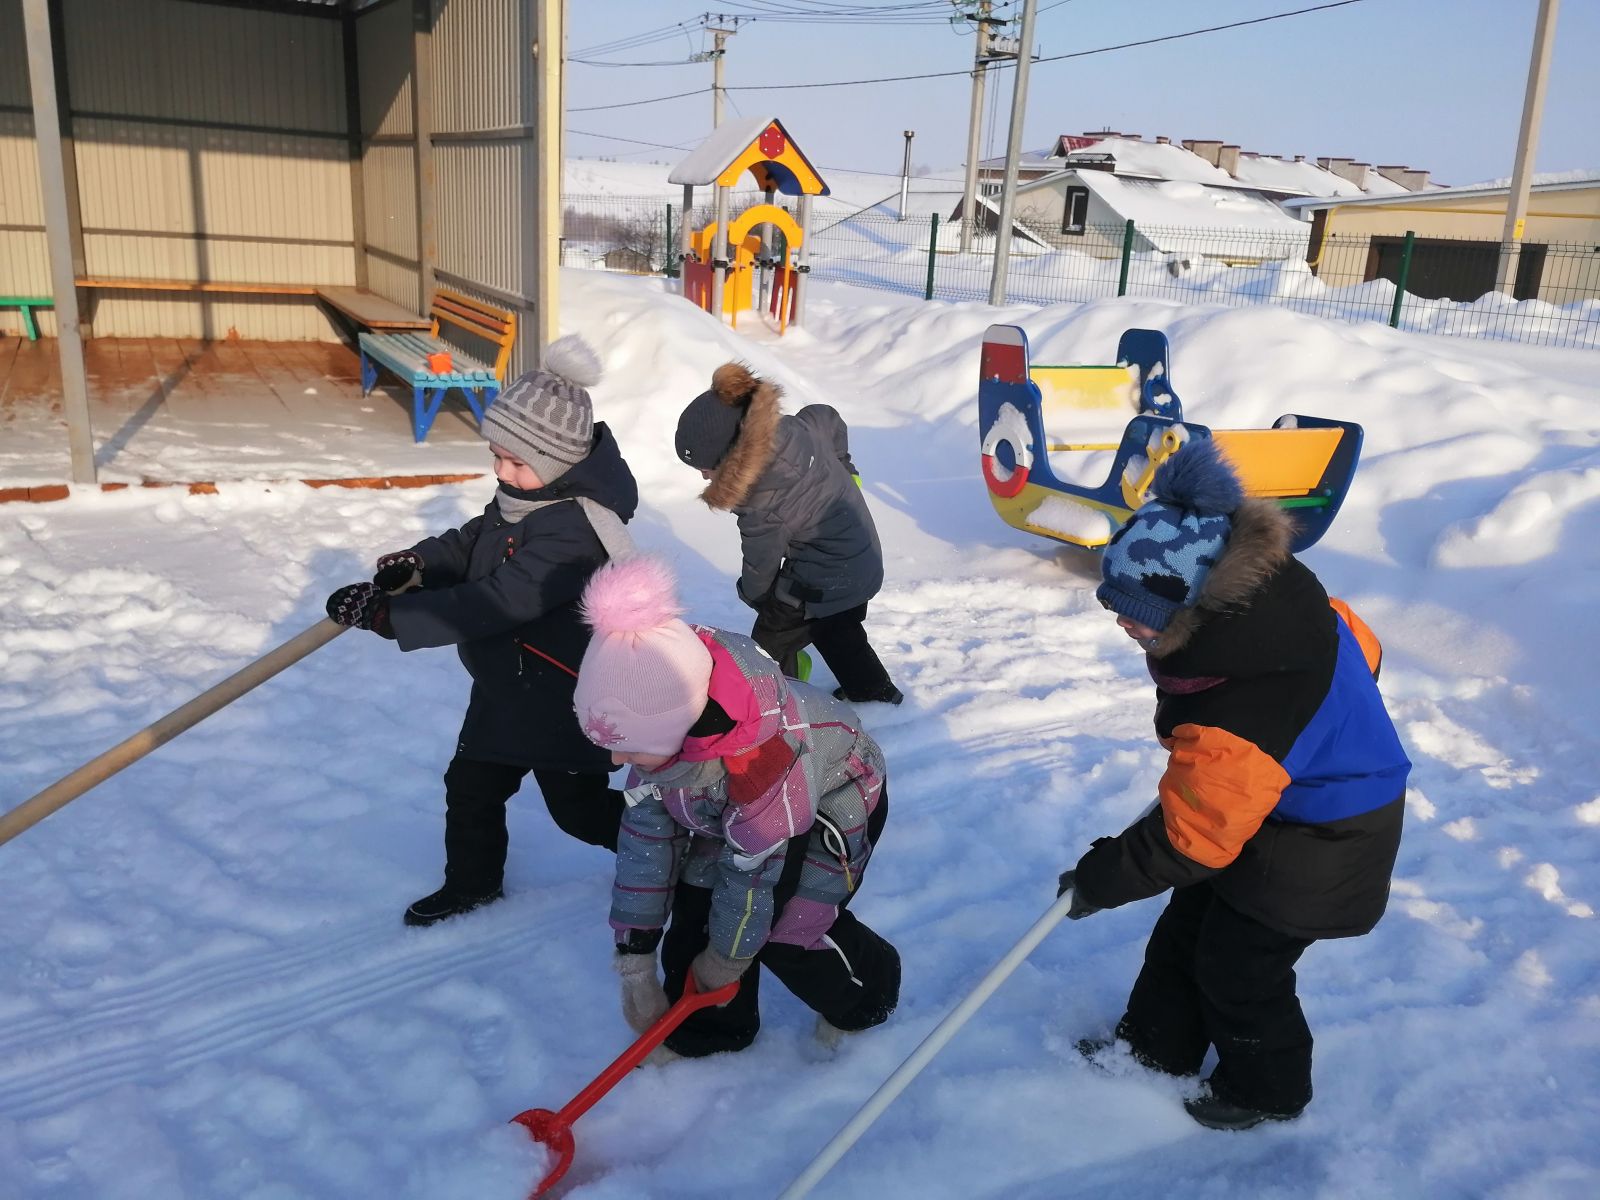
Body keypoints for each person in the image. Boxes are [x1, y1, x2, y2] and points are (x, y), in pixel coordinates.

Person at [1057, 437, 1409, 1131]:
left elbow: (1192, 841)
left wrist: (1101, 879)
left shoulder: (1238, 714)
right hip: (1276, 805)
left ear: (1194, 610)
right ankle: (1155, 1049)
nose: (1122, 622)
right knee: (1185, 929)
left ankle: (1267, 1091)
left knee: (1238, 968)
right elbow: (1363, 648)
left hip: (1328, 840)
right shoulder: (1284, 611)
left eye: (1136, 611)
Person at [324, 334, 639, 927]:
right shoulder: (523, 498)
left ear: (558, 462)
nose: (500, 471)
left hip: (561, 696)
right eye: (496, 455)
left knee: (578, 811)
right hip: (506, 685)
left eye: (515, 462)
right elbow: (471, 541)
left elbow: (502, 599)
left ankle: (670, 851)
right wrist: (418, 563)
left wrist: (391, 617)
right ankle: (472, 884)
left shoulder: (575, 531)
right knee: (470, 786)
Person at [570, 554, 900, 1057]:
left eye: (628, 747)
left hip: (836, 793)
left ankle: (866, 995)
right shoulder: (657, 747)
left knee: (789, 928)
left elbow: (754, 873)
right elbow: (645, 845)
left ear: (676, 729)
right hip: (722, 799)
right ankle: (711, 1030)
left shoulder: (765, 757)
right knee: (697, 912)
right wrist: (635, 955)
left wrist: (725, 961)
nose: (617, 761)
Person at [673, 361, 903, 705]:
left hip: (830, 576)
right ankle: (872, 693)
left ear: (729, 455)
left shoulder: (761, 500)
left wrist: (756, 597)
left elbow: (760, 564)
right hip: (861, 554)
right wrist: (846, 470)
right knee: (838, 632)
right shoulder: (793, 429)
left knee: (770, 642)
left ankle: (781, 704)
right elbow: (826, 416)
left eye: (706, 467)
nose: (705, 476)